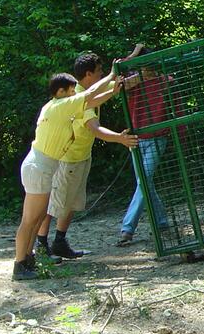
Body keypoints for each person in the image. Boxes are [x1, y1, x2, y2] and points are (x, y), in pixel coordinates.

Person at [13, 70, 123, 281]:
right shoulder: (59, 106)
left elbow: (89, 102)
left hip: (43, 166)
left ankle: (27, 259)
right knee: (29, 220)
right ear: (60, 91)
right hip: (39, 167)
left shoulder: (60, 107)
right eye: (71, 91)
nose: (74, 94)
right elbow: (89, 94)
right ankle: (20, 264)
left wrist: (112, 92)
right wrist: (110, 77)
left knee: (36, 219)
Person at [35, 52, 138, 259]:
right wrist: (120, 138)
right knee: (53, 205)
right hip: (67, 160)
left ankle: (59, 242)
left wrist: (141, 69)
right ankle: (41, 245)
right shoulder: (77, 96)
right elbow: (95, 128)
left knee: (70, 203)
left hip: (81, 157)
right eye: (99, 71)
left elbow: (116, 87)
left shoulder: (90, 90)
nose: (102, 74)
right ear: (89, 74)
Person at [118, 47, 177, 246]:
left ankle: (127, 229)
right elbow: (117, 74)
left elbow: (176, 107)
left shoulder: (167, 81)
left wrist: (182, 135)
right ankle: (162, 222)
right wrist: (133, 53)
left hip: (158, 137)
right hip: (136, 138)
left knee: (143, 180)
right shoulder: (133, 82)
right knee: (145, 183)